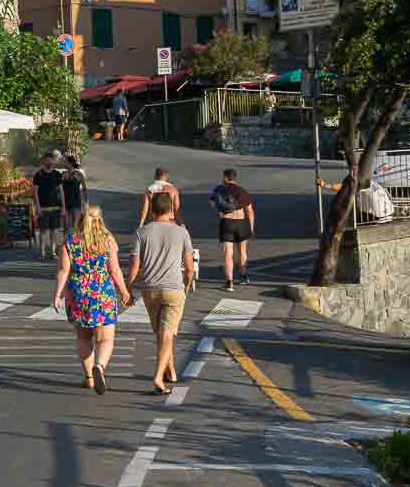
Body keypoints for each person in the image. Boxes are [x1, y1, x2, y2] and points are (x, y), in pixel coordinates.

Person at [51, 205, 132, 394]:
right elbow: (114, 270)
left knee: (83, 337)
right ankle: (100, 366)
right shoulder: (107, 240)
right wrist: (124, 291)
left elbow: (63, 271)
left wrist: (57, 295)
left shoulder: (70, 242)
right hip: (102, 294)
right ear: (100, 220)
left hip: (79, 294)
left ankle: (88, 377)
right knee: (105, 339)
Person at [127, 191, 193, 393]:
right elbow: (189, 268)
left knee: (161, 334)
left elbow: (134, 266)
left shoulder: (141, 232)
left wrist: (127, 288)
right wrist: (187, 285)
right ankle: (158, 377)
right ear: (171, 210)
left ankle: (170, 371)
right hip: (174, 289)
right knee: (167, 334)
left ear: (152, 210)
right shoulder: (182, 232)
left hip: (150, 289)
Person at [209, 167, 256, 290]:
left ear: (225, 177)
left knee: (228, 253)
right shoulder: (243, 191)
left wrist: (220, 212)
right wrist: (250, 228)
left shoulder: (219, 189)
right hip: (242, 223)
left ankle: (229, 282)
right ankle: (243, 276)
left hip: (227, 222)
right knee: (242, 251)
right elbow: (250, 211)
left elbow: (212, 204)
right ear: (235, 178)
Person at [31, 152, 65, 259]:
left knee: (54, 231)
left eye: (52, 160)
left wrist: (63, 207)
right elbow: (35, 192)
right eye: (48, 160)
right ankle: (42, 252)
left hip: (55, 207)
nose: (50, 162)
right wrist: (38, 207)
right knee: (42, 231)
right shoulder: (38, 175)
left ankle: (53, 252)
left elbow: (61, 192)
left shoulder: (57, 175)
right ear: (44, 161)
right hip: (43, 208)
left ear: (54, 161)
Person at [60, 154, 88, 236]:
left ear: (71, 163)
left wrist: (86, 202)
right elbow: (58, 188)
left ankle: (77, 246)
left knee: (76, 227)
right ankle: (65, 246)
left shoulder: (78, 174)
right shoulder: (63, 174)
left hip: (76, 203)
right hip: (65, 203)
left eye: (65, 162)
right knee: (66, 227)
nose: (64, 164)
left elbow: (85, 189)